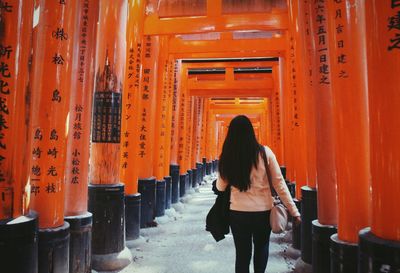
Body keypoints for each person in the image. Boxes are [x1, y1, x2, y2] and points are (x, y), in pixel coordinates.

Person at [216, 115, 301, 273]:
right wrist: (294, 211)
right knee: (261, 249)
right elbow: (279, 184)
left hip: (237, 213)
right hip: (263, 212)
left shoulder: (227, 156)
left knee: (242, 254)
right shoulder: (265, 152)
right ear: (251, 132)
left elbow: (220, 187)